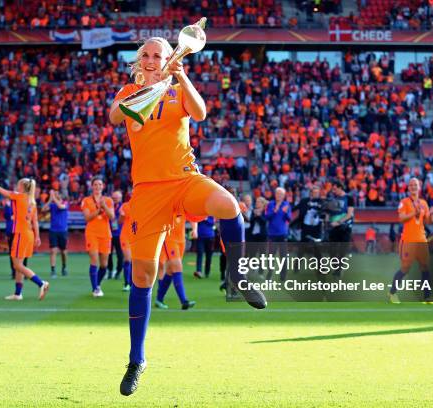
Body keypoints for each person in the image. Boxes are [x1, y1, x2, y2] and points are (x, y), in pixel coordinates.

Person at [109, 36, 266, 396]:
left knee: (229, 205)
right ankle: (137, 359)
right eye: (146, 55)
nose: (151, 60)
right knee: (143, 273)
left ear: (168, 58)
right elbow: (115, 116)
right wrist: (148, 89)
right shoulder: (129, 90)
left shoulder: (178, 89)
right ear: (140, 60)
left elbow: (200, 113)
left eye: (158, 55)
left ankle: (238, 276)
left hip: (183, 179)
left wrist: (180, 77)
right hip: (148, 191)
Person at [0, 172, 49, 301]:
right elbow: (35, 221)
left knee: (17, 265)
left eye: (18, 185)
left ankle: (41, 283)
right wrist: (37, 237)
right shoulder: (32, 202)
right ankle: (18, 293)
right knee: (19, 264)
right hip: (29, 234)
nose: (16, 187)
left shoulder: (19, 196)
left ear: (22, 187)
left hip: (20, 234)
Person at [388, 178, 433, 304]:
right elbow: (401, 218)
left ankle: (427, 297)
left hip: (421, 239)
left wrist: (431, 214)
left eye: (415, 185)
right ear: (408, 188)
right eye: (410, 185)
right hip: (408, 240)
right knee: (405, 268)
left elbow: (427, 222)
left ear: (419, 187)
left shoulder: (424, 203)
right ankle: (392, 293)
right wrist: (414, 213)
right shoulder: (404, 202)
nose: (413, 187)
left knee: (425, 267)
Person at [155, 214, 197, 310]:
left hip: (181, 240)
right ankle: (184, 301)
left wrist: (195, 229)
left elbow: (192, 215)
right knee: (177, 268)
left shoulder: (182, 202)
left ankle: (159, 299)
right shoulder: (167, 202)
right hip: (168, 239)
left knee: (170, 271)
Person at [81, 177, 115, 297]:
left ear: (103, 186)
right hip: (92, 233)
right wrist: (98, 211)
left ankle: (97, 284)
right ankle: (95, 288)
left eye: (100, 184)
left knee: (104, 264)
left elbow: (112, 217)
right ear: (92, 186)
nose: (97, 187)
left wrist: (104, 206)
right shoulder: (86, 200)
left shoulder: (108, 200)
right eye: (95, 184)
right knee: (94, 259)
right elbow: (87, 218)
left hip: (105, 234)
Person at [265, 187, 292, 280]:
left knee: (283, 256)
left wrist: (285, 212)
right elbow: (267, 217)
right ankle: (269, 273)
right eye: (277, 193)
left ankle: (283, 276)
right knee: (271, 255)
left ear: (284, 196)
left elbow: (289, 218)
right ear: (275, 194)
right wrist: (274, 211)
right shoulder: (270, 204)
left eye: (281, 194)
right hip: (272, 234)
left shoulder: (286, 204)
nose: (279, 195)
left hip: (282, 233)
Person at [42, 190, 69, 278]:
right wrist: (50, 199)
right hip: (53, 230)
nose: (55, 195)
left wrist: (54, 198)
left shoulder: (65, 203)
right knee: (53, 250)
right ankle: (53, 270)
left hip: (63, 231)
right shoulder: (52, 205)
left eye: (57, 194)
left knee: (63, 252)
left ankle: (64, 266)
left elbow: (61, 207)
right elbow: (43, 209)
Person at [4, 198, 28, 279]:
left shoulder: (22, 203)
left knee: (23, 253)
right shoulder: (9, 205)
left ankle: (23, 271)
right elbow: (8, 217)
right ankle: (14, 271)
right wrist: (7, 206)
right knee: (12, 253)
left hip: (21, 232)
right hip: (11, 232)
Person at [107, 190, 125, 280]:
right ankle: (109, 270)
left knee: (120, 254)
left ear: (120, 198)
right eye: (113, 197)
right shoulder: (109, 206)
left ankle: (118, 271)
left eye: (117, 198)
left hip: (120, 234)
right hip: (109, 233)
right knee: (108, 253)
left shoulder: (123, 207)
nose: (115, 199)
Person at [118, 199, 133, 291]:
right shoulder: (125, 206)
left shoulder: (143, 205)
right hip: (126, 236)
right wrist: (122, 216)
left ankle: (133, 283)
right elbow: (120, 221)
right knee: (128, 259)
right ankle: (127, 283)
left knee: (136, 261)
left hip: (137, 237)